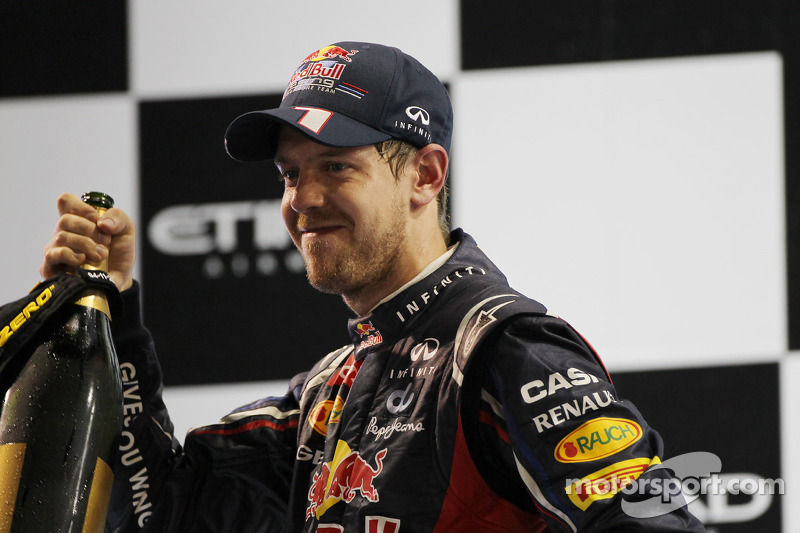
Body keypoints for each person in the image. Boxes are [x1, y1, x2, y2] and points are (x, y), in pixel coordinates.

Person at [41, 42, 705, 532]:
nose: (304, 198)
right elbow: (165, 505)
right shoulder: (327, 393)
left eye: (336, 166)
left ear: (425, 174)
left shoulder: (504, 351)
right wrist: (113, 310)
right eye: (289, 173)